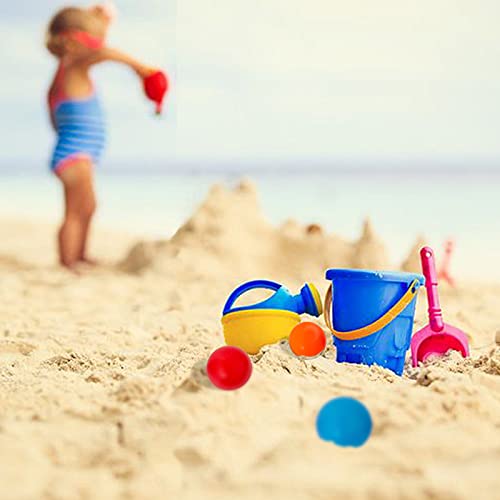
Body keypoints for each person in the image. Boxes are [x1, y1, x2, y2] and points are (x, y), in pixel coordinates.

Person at [46, 3, 156, 270]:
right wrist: (141, 69)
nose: (98, 43)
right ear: (72, 41)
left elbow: (54, 118)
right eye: (92, 39)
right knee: (75, 211)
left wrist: (99, 22)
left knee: (88, 207)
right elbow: (103, 52)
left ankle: (79, 256)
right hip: (75, 157)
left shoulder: (62, 77)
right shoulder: (74, 68)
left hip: (73, 154)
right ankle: (69, 261)